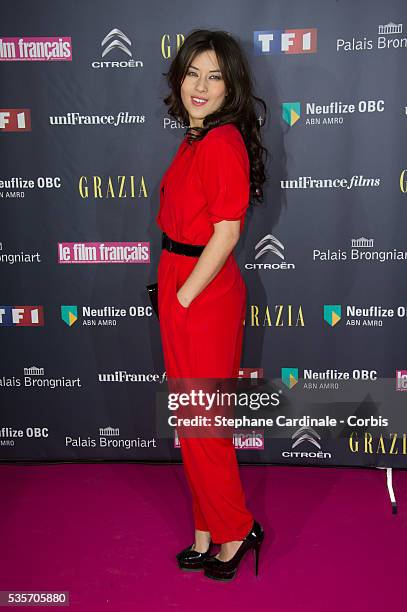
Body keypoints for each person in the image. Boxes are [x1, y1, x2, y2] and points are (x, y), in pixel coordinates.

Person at [155, 29, 268, 582]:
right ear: (179, 78)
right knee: (194, 422)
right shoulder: (194, 137)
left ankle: (237, 529)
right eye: (193, 73)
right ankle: (206, 531)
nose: (200, 85)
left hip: (202, 288)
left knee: (204, 423)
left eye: (214, 76)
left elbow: (226, 233)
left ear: (231, 87)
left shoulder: (222, 143)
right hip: (184, 278)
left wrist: (182, 295)